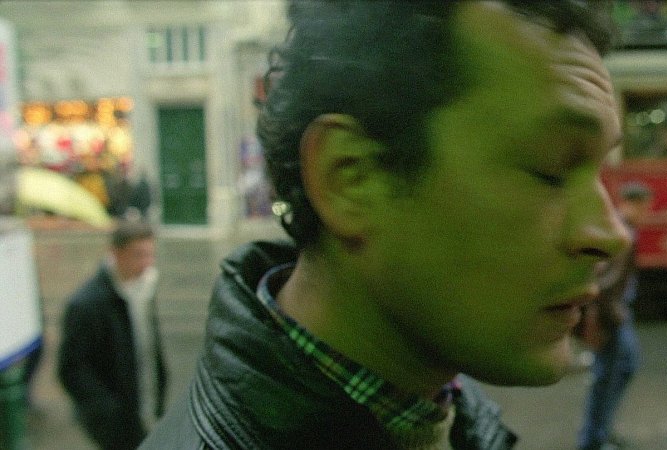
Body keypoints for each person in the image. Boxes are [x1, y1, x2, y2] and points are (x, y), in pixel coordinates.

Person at [142, 1, 628, 448]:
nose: (611, 234)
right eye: (550, 169)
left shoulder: (447, 415)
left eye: (600, 171)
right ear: (350, 179)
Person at [58, 220, 168, 450]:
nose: (147, 264)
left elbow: (149, 348)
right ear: (116, 254)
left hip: (147, 411)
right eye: (138, 255)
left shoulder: (143, 289)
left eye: (150, 255)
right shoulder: (87, 304)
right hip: (116, 424)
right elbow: (71, 369)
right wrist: (105, 414)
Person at [577, 181, 653, 450]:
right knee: (607, 376)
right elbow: (606, 284)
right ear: (631, 204)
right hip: (612, 316)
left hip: (615, 313)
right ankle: (592, 440)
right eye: (644, 206)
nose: (646, 213)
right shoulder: (623, 234)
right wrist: (604, 320)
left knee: (624, 367)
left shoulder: (621, 229)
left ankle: (601, 431)